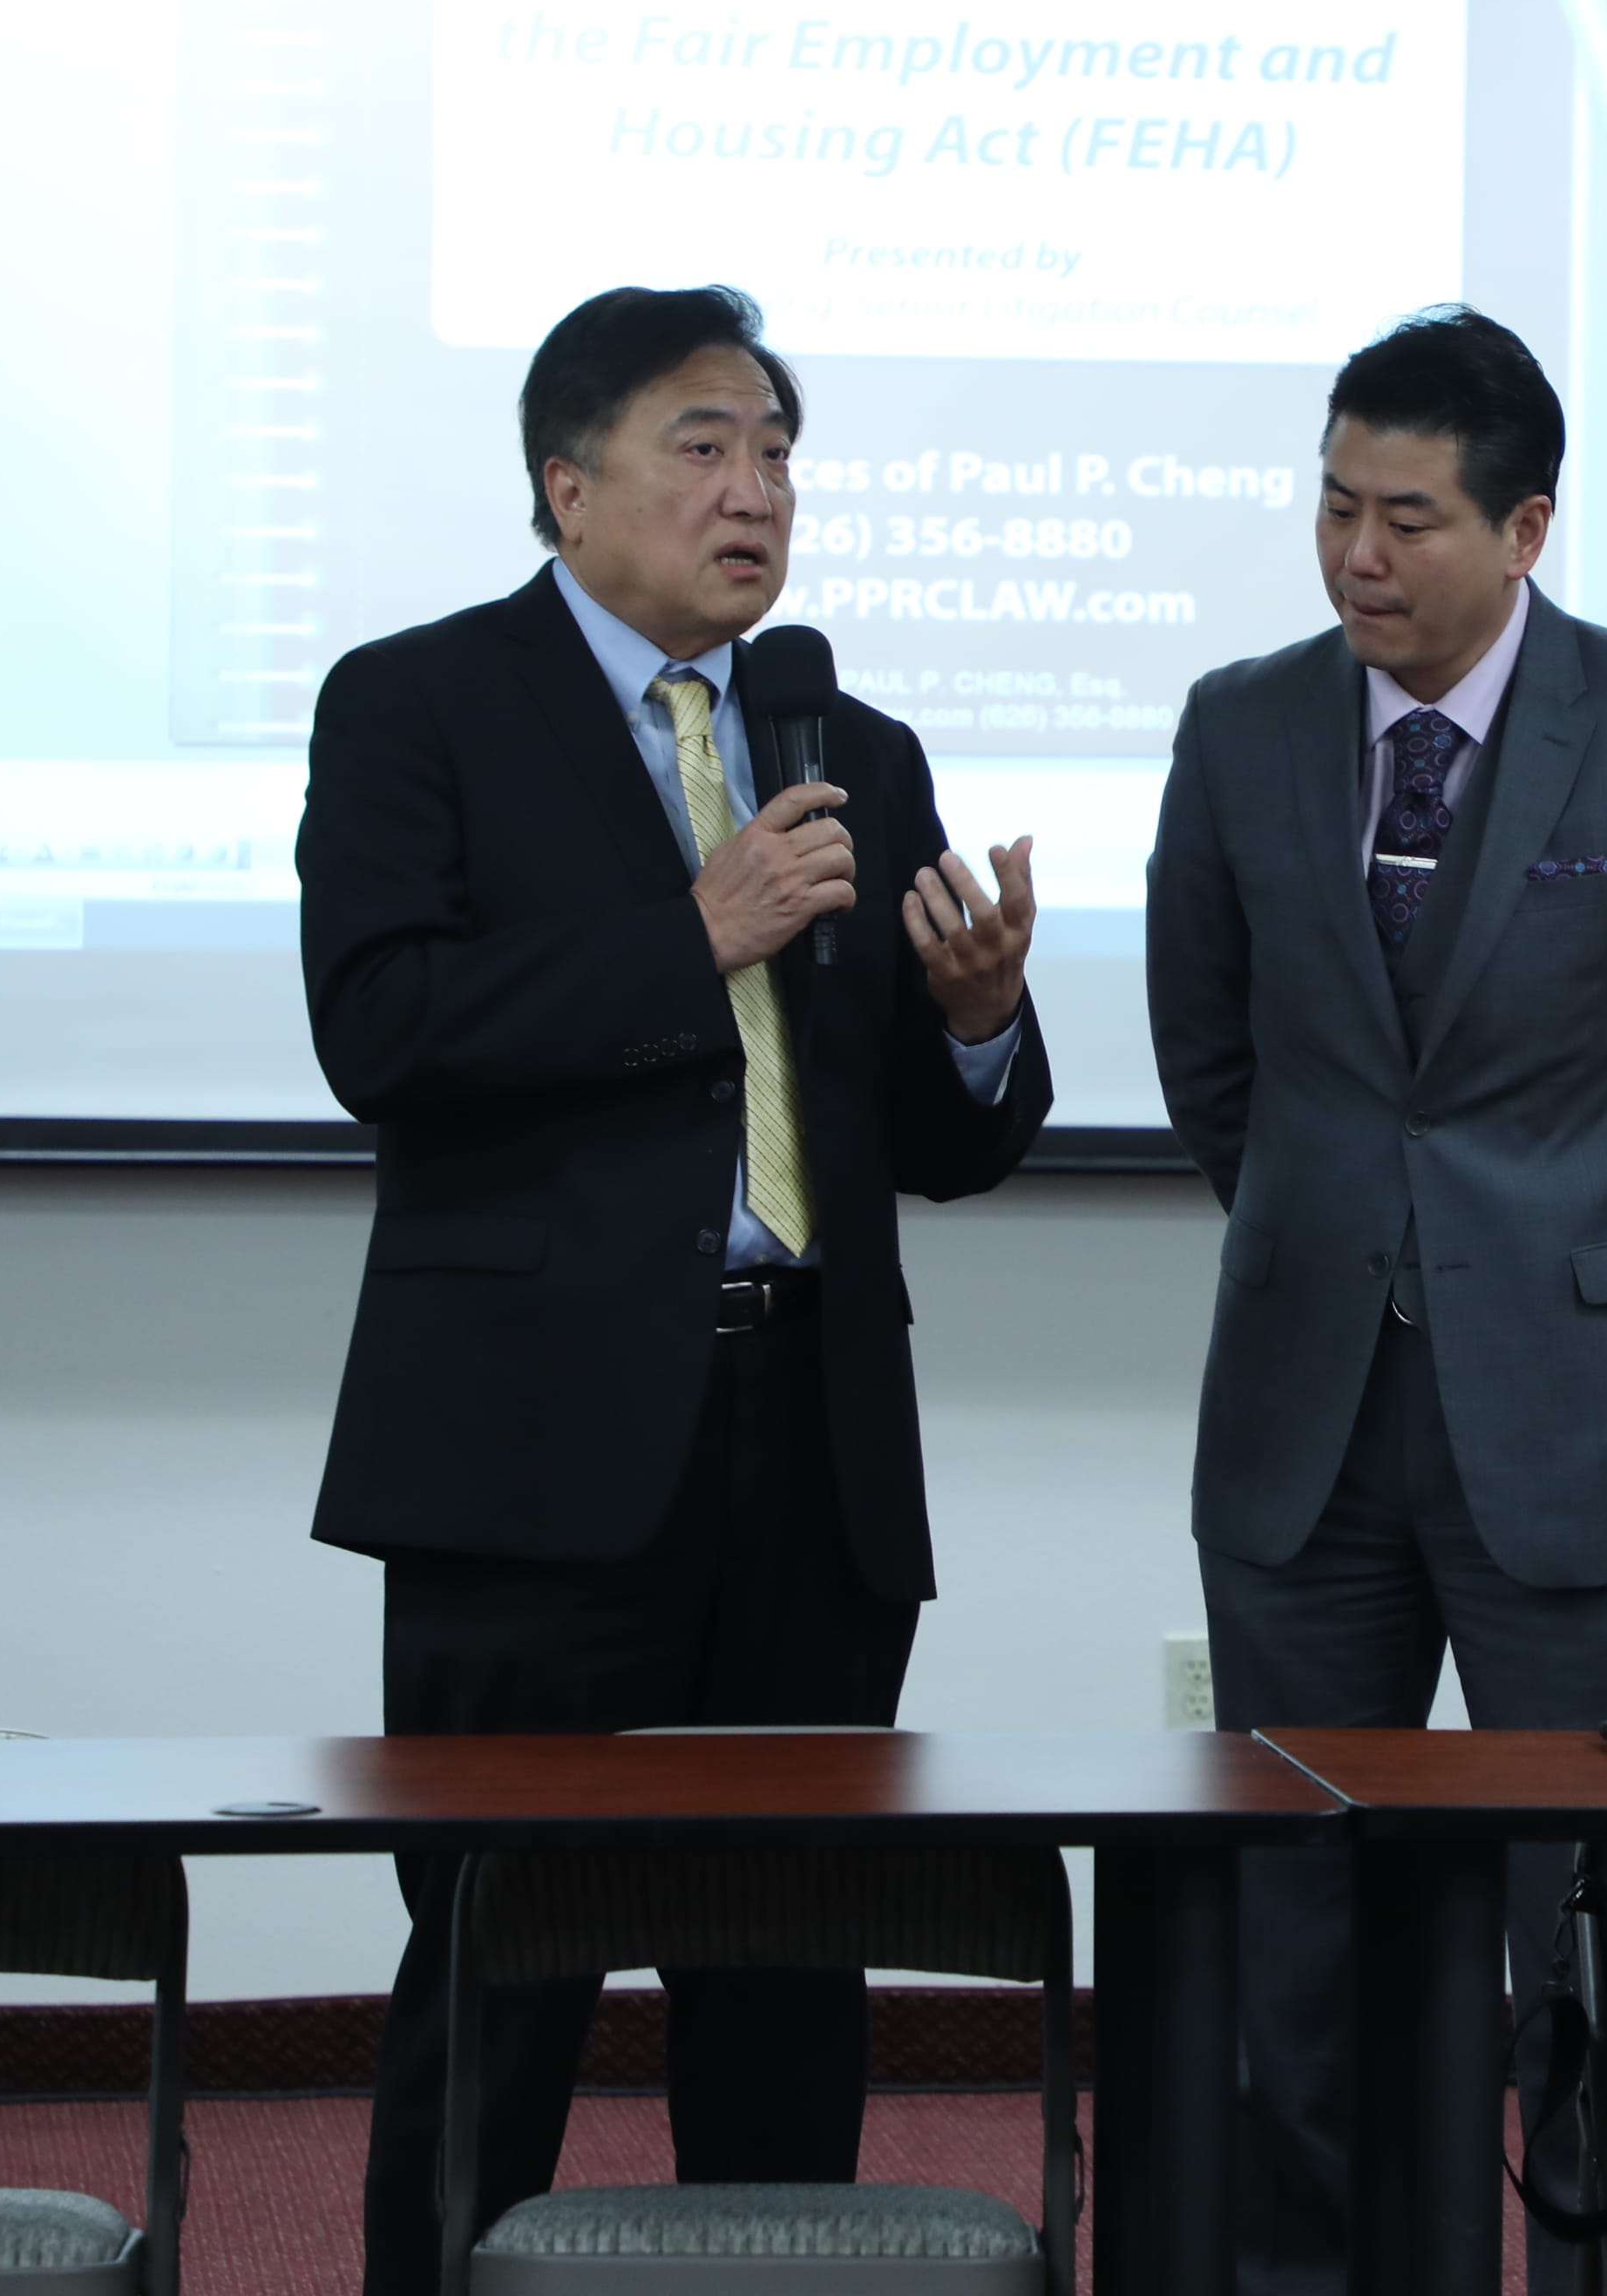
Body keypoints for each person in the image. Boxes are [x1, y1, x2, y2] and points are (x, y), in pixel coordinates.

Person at [296, 283, 1048, 2296]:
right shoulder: (419, 705)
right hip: (534, 1462)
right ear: (568, 484)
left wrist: (980, 1022)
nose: (756, 493)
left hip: (813, 1448)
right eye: (703, 448)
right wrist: (686, 934)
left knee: (787, 1970)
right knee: (499, 1971)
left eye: (778, 455)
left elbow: (936, 1140)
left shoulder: (847, 748)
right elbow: (380, 1027)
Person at [1145, 305, 1607, 2295]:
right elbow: (1212, 1056)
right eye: (1335, 508)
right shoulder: (1239, 728)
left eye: (1410, 519)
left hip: (1590, 1426)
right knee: (1299, 1938)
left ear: (1525, 528)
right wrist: (1344, 1247)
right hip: (1307, 1428)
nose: (1359, 556)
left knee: (1593, 1943)